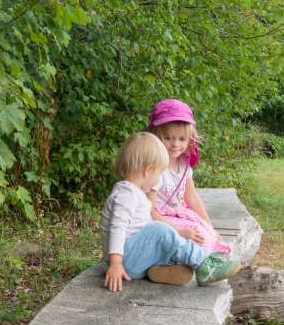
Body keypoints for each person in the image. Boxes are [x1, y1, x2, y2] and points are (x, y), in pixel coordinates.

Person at [101, 131, 240, 291]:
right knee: (159, 229)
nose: (158, 180)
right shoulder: (126, 195)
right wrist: (116, 264)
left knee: (160, 231)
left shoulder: (135, 193)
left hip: (134, 257)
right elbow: (117, 228)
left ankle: (159, 269)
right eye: (159, 173)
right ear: (148, 170)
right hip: (125, 261)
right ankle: (204, 265)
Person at [147, 99, 231, 255]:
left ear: (189, 139)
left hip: (178, 213)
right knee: (192, 238)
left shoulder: (183, 165)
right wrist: (178, 230)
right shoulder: (155, 168)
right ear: (156, 136)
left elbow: (191, 197)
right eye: (168, 138)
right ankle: (173, 265)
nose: (175, 144)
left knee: (203, 233)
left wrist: (210, 226)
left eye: (181, 139)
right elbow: (149, 211)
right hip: (159, 219)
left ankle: (193, 260)